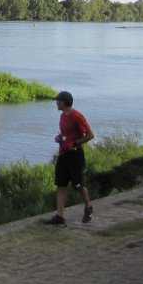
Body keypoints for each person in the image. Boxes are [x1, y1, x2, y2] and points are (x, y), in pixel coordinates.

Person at [43, 90, 94, 225]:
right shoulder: (62, 117)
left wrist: (75, 143)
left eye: (57, 101)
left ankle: (88, 207)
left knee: (78, 185)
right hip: (63, 154)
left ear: (63, 103)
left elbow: (90, 135)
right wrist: (59, 139)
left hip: (75, 155)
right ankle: (60, 216)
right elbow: (65, 135)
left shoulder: (76, 116)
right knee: (61, 185)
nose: (56, 104)